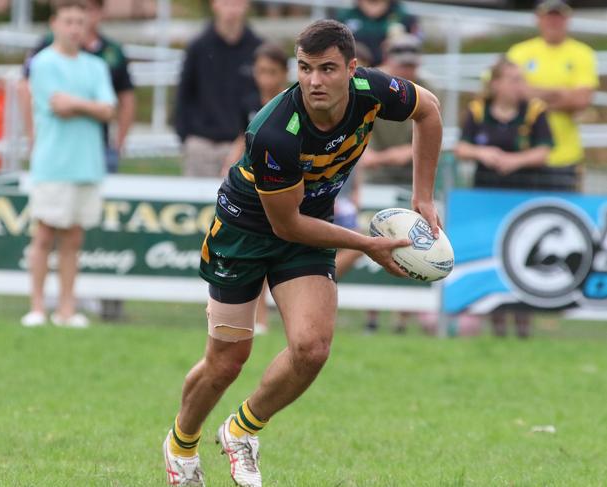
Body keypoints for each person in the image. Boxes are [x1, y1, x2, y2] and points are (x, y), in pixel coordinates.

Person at [162, 19, 443, 486]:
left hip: (308, 227)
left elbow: (429, 110)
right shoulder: (275, 131)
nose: (314, 80)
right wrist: (367, 244)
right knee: (227, 362)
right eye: (305, 68)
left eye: (328, 69)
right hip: (247, 231)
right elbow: (286, 224)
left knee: (312, 348)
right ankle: (181, 445)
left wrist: (424, 196)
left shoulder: (373, 90)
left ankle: (242, 431)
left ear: (352, 68)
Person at [21, 0, 135, 322]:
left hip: (87, 163)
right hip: (52, 162)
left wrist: (78, 104)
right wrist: (92, 106)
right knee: (44, 235)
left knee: (73, 238)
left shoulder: (96, 66)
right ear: (54, 24)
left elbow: (109, 109)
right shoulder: (42, 63)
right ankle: (37, 307)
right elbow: (57, 105)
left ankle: (67, 309)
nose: (74, 28)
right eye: (68, 21)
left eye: (79, 22)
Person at [455, 58, 554, 338]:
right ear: (495, 83)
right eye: (513, 79)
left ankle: (524, 326)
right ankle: (497, 325)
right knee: (490, 257)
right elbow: (461, 147)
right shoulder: (478, 111)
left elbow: (544, 151)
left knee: (523, 256)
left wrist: (516, 161)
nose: (519, 85)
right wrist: (482, 153)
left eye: (520, 79)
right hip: (485, 197)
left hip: (523, 197)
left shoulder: (534, 111)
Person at [358, 33, 432, 333]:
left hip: (415, 185)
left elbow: (432, 136)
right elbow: (366, 153)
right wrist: (399, 154)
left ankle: (402, 320)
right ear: (390, 60)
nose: (408, 70)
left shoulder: (429, 90)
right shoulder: (376, 89)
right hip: (377, 183)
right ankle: (372, 318)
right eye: (403, 64)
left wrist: (394, 155)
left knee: (415, 250)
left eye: (412, 65)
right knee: (373, 249)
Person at [222, 42, 290, 336]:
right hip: (252, 188)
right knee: (255, 253)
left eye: (271, 71)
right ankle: (258, 318)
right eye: (260, 71)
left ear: (284, 73)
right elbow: (243, 138)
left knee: (278, 252)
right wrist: (228, 167)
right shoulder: (249, 102)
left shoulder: (292, 103)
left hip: (282, 186)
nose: (265, 78)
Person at [507, 0, 598, 191]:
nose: (554, 22)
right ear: (539, 19)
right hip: (524, 154)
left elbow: (581, 100)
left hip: (565, 156)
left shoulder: (582, 53)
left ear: (567, 19)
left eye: (559, 17)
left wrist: (533, 96)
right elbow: (510, 93)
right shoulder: (520, 52)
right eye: (549, 17)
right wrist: (560, 92)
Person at [174, 0, 262, 177]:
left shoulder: (259, 49)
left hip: (244, 147)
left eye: (236, 3)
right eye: (226, 3)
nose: (231, 9)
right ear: (214, 4)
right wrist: (186, 138)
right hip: (201, 145)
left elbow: (266, 98)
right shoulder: (198, 46)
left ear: (247, 5)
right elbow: (183, 95)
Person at [336, 0, 419, 66]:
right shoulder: (345, 16)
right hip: (355, 69)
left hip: (391, 74)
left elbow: (414, 48)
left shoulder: (403, 16)